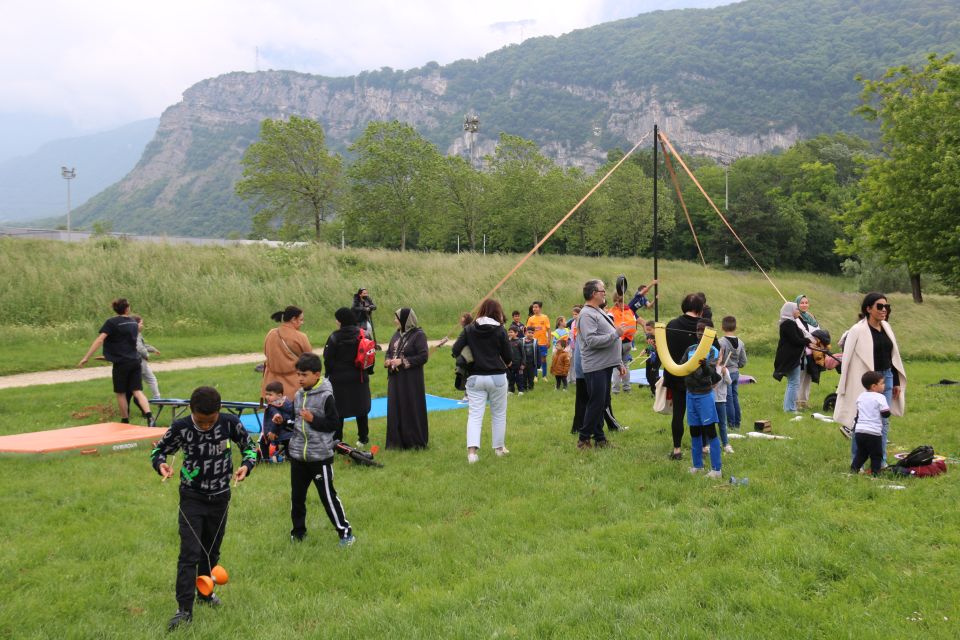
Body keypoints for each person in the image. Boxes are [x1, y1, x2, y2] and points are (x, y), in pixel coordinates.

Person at [150, 386, 257, 631]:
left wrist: (247, 466)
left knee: (211, 551)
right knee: (189, 552)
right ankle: (184, 609)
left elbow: (249, 448)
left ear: (219, 411)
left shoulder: (230, 423)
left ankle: (205, 593)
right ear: (191, 410)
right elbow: (159, 451)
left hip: (220, 497)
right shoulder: (181, 428)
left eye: (211, 421)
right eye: (201, 421)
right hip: (192, 497)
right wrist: (161, 465)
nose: (206, 426)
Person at [287, 353, 354, 546]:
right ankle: (298, 533)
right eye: (298, 374)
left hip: (320, 458)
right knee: (297, 498)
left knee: (328, 497)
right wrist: (284, 422)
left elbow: (334, 424)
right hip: (299, 456)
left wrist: (313, 420)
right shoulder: (299, 395)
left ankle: (345, 533)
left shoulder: (326, 396)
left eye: (304, 374)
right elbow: (297, 422)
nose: (300, 378)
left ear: (317, 375)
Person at [834, 292, 906, 467]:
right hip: (866, 381)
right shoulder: (857, 330)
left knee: (883, 420)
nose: (884, 310)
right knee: (861, 421)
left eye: (886, 307)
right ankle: (856, 461)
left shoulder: (887, 328)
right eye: (879, 306)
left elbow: (893, 356)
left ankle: (879, 462)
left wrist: (895, 381)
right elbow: (848, 358)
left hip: (886, 378)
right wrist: (845, 385)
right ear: (868, 309)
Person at [452, 298, 512, 464]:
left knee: (475, 416)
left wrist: (470, 358)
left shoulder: (469, 329)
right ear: (496, 312)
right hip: (497, 377)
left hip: (475, 378)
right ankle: (499, 449)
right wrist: (507, 362)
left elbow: (455, 349)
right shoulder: (500, 330)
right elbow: (508, 357)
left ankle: (472, 453)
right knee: (499, 414)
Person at [78, 298, 155, 426]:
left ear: (115, 309)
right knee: (137, 391)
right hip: (135, 361)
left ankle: (125, 420)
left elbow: (100, 340)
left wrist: (86, 356)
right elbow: (126, 344)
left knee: (120, 393)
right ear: (127, 308)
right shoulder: (133, 323)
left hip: (121, 363)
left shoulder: (111, 323)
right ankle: (150, 417)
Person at [576, 279, 626, 450]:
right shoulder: (586, 314)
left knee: (601, 403)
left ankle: (600, 439)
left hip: (605, 365)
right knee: (596, 403)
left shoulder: (596, 311)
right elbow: (591, 341)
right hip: (595, 366)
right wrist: (616, 334)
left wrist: (618, 362)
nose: (605, 293)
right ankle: (583, 439)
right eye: (602, 290)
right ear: (593, 294)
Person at [323, 308, 372, 447]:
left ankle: (338, 440)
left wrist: (328, 374)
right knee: (361, 408)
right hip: (360, 377)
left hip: (339, 379)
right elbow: (370, 355)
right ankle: (363, 438)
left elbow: (328, 359)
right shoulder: (364, 334)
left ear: (340, 321)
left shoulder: (334, 337)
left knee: (338, 410)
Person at [664, 294, 704, 460]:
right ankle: (704, 447)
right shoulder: (705, 328)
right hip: (699, 378)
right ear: (700, 309)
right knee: (701, 414)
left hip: (675, 375)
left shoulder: (672, 324)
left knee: (678, 414)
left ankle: (677, 450)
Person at [385, 308, 430, 449]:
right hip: (396, 380)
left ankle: (414, 441)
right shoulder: (396, 335)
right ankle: (396, 442)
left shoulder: (418, 335)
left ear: (405, 320)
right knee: (396, 407)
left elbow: (423, 356)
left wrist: (402, 362)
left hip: (411, 380)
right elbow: (389, 352)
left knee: (411, 406)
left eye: (397, 319)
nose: (395, 321)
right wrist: (388, 361)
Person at [684, 323, 723, 478]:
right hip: (690, 394)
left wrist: (705, 366)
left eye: (703, 331)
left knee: (710, 431)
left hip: (705, 395)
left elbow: (711, 373)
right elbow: (682, 365)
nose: (700, 333)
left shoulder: (712, 350)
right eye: (698, 330)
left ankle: (716, 469)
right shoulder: (690, 349)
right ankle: (697, 465)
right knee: (694, 430)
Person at [261, 306, 312, 401]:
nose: (302, 323)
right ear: (293, 319)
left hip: (270, 386)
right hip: (293, 387)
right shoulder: (301, 337)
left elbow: (266, 353)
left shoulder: (271, 333)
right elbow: (310, 359)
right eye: (301, 320)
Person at [850, 371, 890, 475]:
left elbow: (858, 413)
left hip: (859, 431)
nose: (884, 385)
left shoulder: (861, 396)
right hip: (873, 432)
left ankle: (854, 469)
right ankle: (875, 473)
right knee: (876, 455)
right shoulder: (880, 397)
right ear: (874, 386)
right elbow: (886, 414)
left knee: (862, 453)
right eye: (882, 383)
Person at [773, 301, 810, 413]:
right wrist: (807, 340)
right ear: (790, 311)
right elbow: (796, 340)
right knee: (794, 383)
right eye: (796, 309)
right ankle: (790, 408)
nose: (798, 311)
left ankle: (788, 407)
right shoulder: (788, 324)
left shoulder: (790, 322)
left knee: (792, 383)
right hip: (790, 358)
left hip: (791, 357)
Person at [717, 316, 747, 430]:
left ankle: (731, 424)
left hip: (726, 373)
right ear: (736, 327)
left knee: (728, 399)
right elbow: (744, 361)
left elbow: (718, 358)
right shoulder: (740, 342)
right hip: (736, 372)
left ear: (722, 327)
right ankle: (737, 423)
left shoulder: (721, 342)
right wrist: (737, 366)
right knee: (735, 397)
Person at [794, 295, 820, 409]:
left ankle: (804, 401)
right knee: (799, 377)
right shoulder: (796, 317)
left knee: (809, 376)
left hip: (814, 351)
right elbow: (802, 332)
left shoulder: (811, 317)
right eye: (802, 303)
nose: (804, 305)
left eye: (806, 303)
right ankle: (796, 402)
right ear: (797, 304)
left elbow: (818, 330)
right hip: (802, 351)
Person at [610, 294, 637, 394]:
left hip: (617, 342)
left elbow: (608, 326)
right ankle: (627, 388)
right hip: (629, 342)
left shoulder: (612, 312)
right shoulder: (630, 311)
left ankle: (615, 390)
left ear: (615, 301)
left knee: (616, 366)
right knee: (625, 365)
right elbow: (634, 327)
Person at [263, 380, 295, 461]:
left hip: (279, 433)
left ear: (279, 396)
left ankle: (265, 458)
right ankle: (288, 457)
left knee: (263, 441)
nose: (267, 397)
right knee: (288, 447)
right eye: (266, 394)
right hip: (289, 432)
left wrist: (273, 432)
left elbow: (277, 421)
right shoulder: (286, 403)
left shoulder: (274, 406)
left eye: (270, 394)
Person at [133, 315, 161, 399]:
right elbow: (140, 348)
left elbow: (143, 345)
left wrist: (153, 349)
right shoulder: (136, 335)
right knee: (150, 380)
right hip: (140, 362)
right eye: (141, 323)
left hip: (136, 362)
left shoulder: (136, 334)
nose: (142, 325)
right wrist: (147, 355)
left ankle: (155, 398)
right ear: (135, 324)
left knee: (147, 380)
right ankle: (156, 398)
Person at [525, 302, 551, 380]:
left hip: (543, 341)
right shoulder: (531, 318)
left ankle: (544, 376)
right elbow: (527, 330)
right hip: (534, 342)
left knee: (543, 358)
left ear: (540, 308)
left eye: (536, 307)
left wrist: (549, 340)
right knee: (534, 359)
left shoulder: (545, 317)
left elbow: (549, 330)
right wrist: (528, 340)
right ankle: (535, 376)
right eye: (533, 307)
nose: (534, 309)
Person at [506, 327, 525, 394]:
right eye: (509, 332)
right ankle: (511, 390)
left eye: (511, 332)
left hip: (518, 364)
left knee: (519, 378)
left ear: (516, 333)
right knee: (510, 377)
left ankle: (521, 390)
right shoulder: (507, 341)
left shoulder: (519, 342)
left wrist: (523, 363)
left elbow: (523, 354)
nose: (510, 334)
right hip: (510, 364)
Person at [521, 326, 540, 392]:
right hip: (523, 363)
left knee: (531, 376)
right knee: (524, 376)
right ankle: (524, 388)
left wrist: (538, 363)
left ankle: (531, 388)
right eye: (529, 332)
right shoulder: (521, 340)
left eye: (532, 333)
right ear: (526, 332)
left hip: (531, 362)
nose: (530, 334)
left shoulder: (535, 341)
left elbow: (538, 353)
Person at [644, 332, 660, 397]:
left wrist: (654, 353)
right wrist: (645, 350)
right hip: (649, 362)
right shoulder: (650, 346)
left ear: (654, 340)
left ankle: (655, 392)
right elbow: (648, 349)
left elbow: (658, 353)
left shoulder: (657, 346)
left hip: (655, 363)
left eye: (650, 339)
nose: (648, 341)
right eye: (648, 339)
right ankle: (654, 389)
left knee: (653, 377)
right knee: (648, 376)